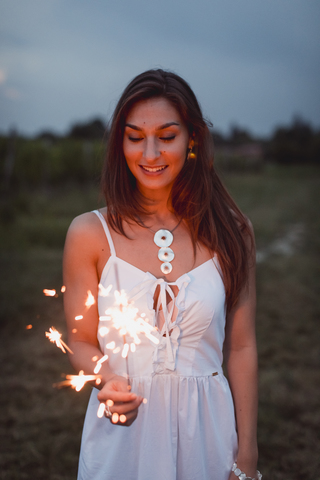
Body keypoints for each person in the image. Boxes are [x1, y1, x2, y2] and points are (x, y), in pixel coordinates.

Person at [63, 69, 261, 480]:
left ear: (192, 138)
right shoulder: (89, 234)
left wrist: (248, 455)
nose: (149, 153)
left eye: (166, 136)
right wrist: (108, 379)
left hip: (206, 435)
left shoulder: (233, 231)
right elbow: (80, 340)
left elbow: (241, 349)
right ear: (121, 142)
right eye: (135, 136)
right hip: (122, 439)